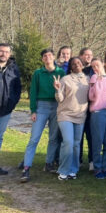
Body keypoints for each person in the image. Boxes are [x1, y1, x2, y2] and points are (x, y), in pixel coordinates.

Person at [20, 49, 65, 182]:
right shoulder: (38, 73)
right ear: (42, 59)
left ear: (54, 57)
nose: (47, 57)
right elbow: (33, 92)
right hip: (41, 106)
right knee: (34, 138)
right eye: (45, 56)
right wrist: (33, 110)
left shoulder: (61, 72)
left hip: (56, 106)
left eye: (50, 55)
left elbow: (64, 92)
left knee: (53, 138)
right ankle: (26, 168)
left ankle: (49, 163)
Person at [54, 57, 90, 181]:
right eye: (73, 64)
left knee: (76, 144)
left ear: (82, 65)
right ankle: (63, 170)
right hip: (65, 114)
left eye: (78, 63)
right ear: (70, 67)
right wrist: (57, 90)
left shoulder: (88, 79)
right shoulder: (65, 79)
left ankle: (73, 170)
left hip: (80, 115)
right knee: (68, 142)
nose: (76, 65)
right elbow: (60, 99)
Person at [0, 43, 21, 175]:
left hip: (5, 110)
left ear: (10, 54)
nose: (3, 54)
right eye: (1, 51)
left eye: (6, 52)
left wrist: (12, 103)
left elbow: (17, 88)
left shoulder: (14, 69)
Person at [78, 47, 94, 170]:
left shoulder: (95, 70)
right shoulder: (76, 70)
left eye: (90, 55)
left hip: (92, 108)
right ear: (81, 56)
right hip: (78, 107)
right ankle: (77, 160)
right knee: (78, 136)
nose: (88, 57)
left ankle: (92, 161)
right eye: (86, 55)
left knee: (91, 135)